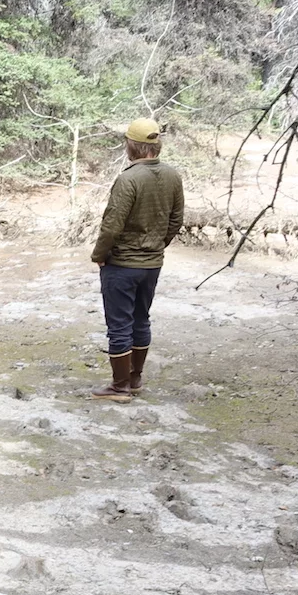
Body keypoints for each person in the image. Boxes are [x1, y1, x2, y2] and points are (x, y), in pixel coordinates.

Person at [88, 117, 185, 401]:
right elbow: (176, 220)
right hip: (152, 264)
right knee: (141, 320)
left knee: (119, 325)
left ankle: (119, 387)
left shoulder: (128, 179)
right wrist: (157, 245)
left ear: (132, 145)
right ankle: (134, 380)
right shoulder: (172, 176)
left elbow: (112, 225)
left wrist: (99, 255)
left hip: (122, 265)